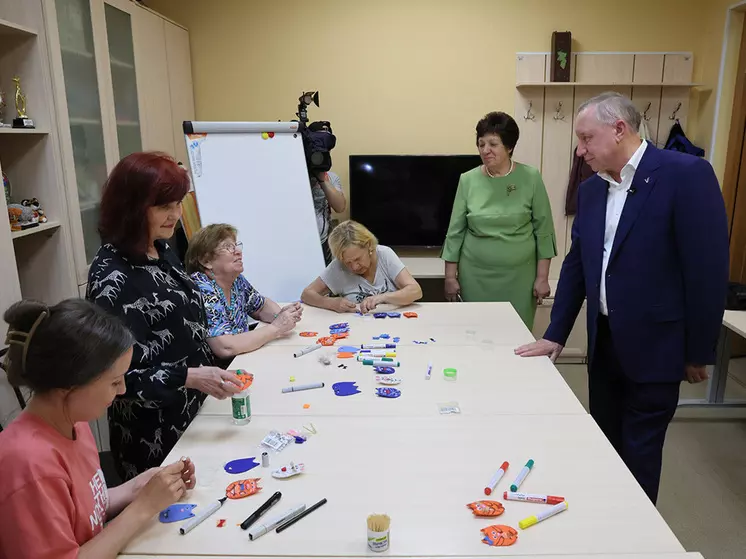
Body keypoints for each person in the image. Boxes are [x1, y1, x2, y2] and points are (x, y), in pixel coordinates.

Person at [515, 92, 729, 504]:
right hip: (606, 344)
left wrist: (699, 350)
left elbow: (706, 269)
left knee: (640, 454)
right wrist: (556, 333)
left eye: (585, 139)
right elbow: (578, 265)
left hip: (658, 346)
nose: (580, 151)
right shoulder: (593, 191)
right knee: (605, 446)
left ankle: (638, 541)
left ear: (619, 129)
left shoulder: (686, 175)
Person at [87, 151, 242, 481]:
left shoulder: (162, 246)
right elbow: (115, 379)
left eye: (177, 204)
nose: (175, 215)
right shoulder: (111, 275)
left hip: (195, 411)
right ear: (132, 206)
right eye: (163, 206)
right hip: (152, 434)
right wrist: (187, 376)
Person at [0, 298, 196, 559]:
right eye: (114, 382)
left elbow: (86, 510)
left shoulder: (74, 422)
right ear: (69, 385)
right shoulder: (28, 464)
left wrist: (140, 487)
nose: (123, 390)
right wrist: (143, 508)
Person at [441, 111, 557, 330]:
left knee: (516, 337)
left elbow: (544, 230)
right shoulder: (467, 180)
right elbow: (455, 231)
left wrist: (543, 277)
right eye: (481, 144)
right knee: (474, 335)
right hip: (475, 276)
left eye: (493, 144)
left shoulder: (531, 177)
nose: (486, 150)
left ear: (510, 147)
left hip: (520, 277)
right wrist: (450, 277)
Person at [186, 223, 303, 359]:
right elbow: (225, 347)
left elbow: (260, 306)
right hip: (217, 372)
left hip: (242, 359)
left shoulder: (236, 280)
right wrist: (276, 328)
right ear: (206, 261)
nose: (238, 251)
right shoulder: (201, 287)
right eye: (227, 247)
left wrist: (281, 316)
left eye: (236, 245)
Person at [301, 220, 422, 313]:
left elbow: (415, 291)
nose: (354, 267)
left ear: (369, 246)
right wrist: (331, 303)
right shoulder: (338, 266)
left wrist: (382, 298)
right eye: (347, 262)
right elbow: (307, 294)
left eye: (357, 259)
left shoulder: (384, 254)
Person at [311, 167, 347, 265]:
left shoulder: (331, 177)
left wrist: (322, 180)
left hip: (322, 241)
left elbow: (340, 207)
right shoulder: (292, 176)